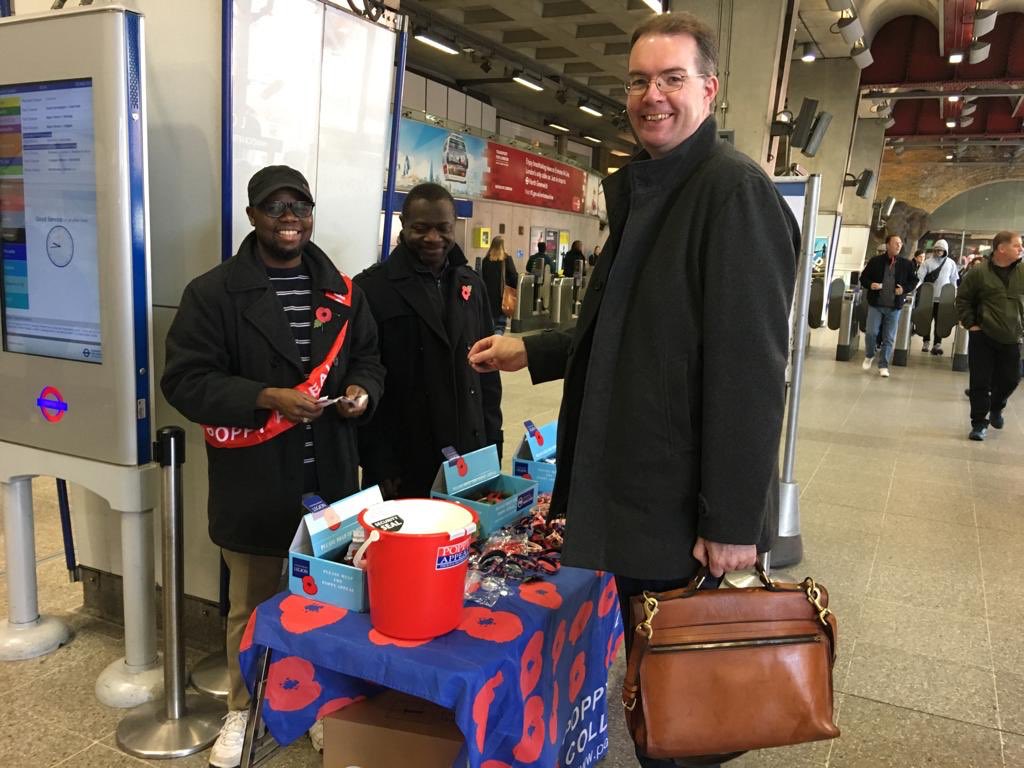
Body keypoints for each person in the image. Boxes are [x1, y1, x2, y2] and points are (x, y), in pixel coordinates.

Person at [468, 13, 798, 768]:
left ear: (709, 90)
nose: (653, 95)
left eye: (672, 78)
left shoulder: (730, 194)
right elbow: (632, 330)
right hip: (642, 496)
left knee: (686, 705)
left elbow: (750, 374)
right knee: (657, 688)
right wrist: (535, 348)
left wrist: (732, 519)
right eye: (640, 81)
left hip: (682, 512)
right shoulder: (655, 191)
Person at [161, 165, 385, 767]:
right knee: (253, 606)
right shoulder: (212, 294)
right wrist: (266, 397)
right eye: (275, 206)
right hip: (256, 483)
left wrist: (363, 390)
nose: (290, 216)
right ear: (253, 216)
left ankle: (316, 705)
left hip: (332, 482)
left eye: (300, 205)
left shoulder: (342, 291)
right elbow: (184, 380)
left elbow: (368, 358)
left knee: (328, 604)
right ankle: (243, 708)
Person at [357, 182, 502, 499]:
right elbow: (363, 376)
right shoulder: (371, 289)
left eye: (442, 228)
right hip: (404, 462)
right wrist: (379, 462)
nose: (433, 238)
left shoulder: (471, 284)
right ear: (403, 225)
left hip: (469, 453)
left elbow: (488, 372)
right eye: (421, 228)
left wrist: (493, 440)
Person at [955, 230, 1024, 441]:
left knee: (1011, 378)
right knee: (980, 382)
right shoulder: (979, 273)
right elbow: (963, 299)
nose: (1021, 249)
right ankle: (978, 423)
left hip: (1012, 337)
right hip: (983, 336)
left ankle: (996, 406)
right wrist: (971, 324)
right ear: (1001, 248)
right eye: (1017, 245)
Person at [858, 234, 919, 377]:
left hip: (894, 307)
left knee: (889, 337)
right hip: (876, 304)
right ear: (888, 245)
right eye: (895, 243)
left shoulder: (906, 264)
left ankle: (883, 365)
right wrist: (870, 284)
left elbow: (914, 280)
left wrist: (903, 289)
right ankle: (869, 354)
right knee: (871, 332)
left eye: (900, 244)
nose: (899, 246)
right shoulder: (876, 261)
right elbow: (863, 278)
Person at [917, 238, 959, 354]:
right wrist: (916, 289)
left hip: (943, 299)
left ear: (945, 251)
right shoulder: (927, 263)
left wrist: (954, 294)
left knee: (940, 322)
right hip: (928, 298)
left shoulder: (951, 263)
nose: (939, 252)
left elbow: (953, 280)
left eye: (941, 250)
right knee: (926, 320)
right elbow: (920, 278)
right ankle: (926, 342)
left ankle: (937, 344)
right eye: (937, 250)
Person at [479, 235, 518, 335]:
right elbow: (514, 277)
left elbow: (482, 278)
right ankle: (496, 342)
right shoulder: (506, 259)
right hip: (502, 298)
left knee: (490, 325)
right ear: (502, 246)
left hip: (488, 298)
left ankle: (491, 343)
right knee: (500, 325)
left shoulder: (485, 261)